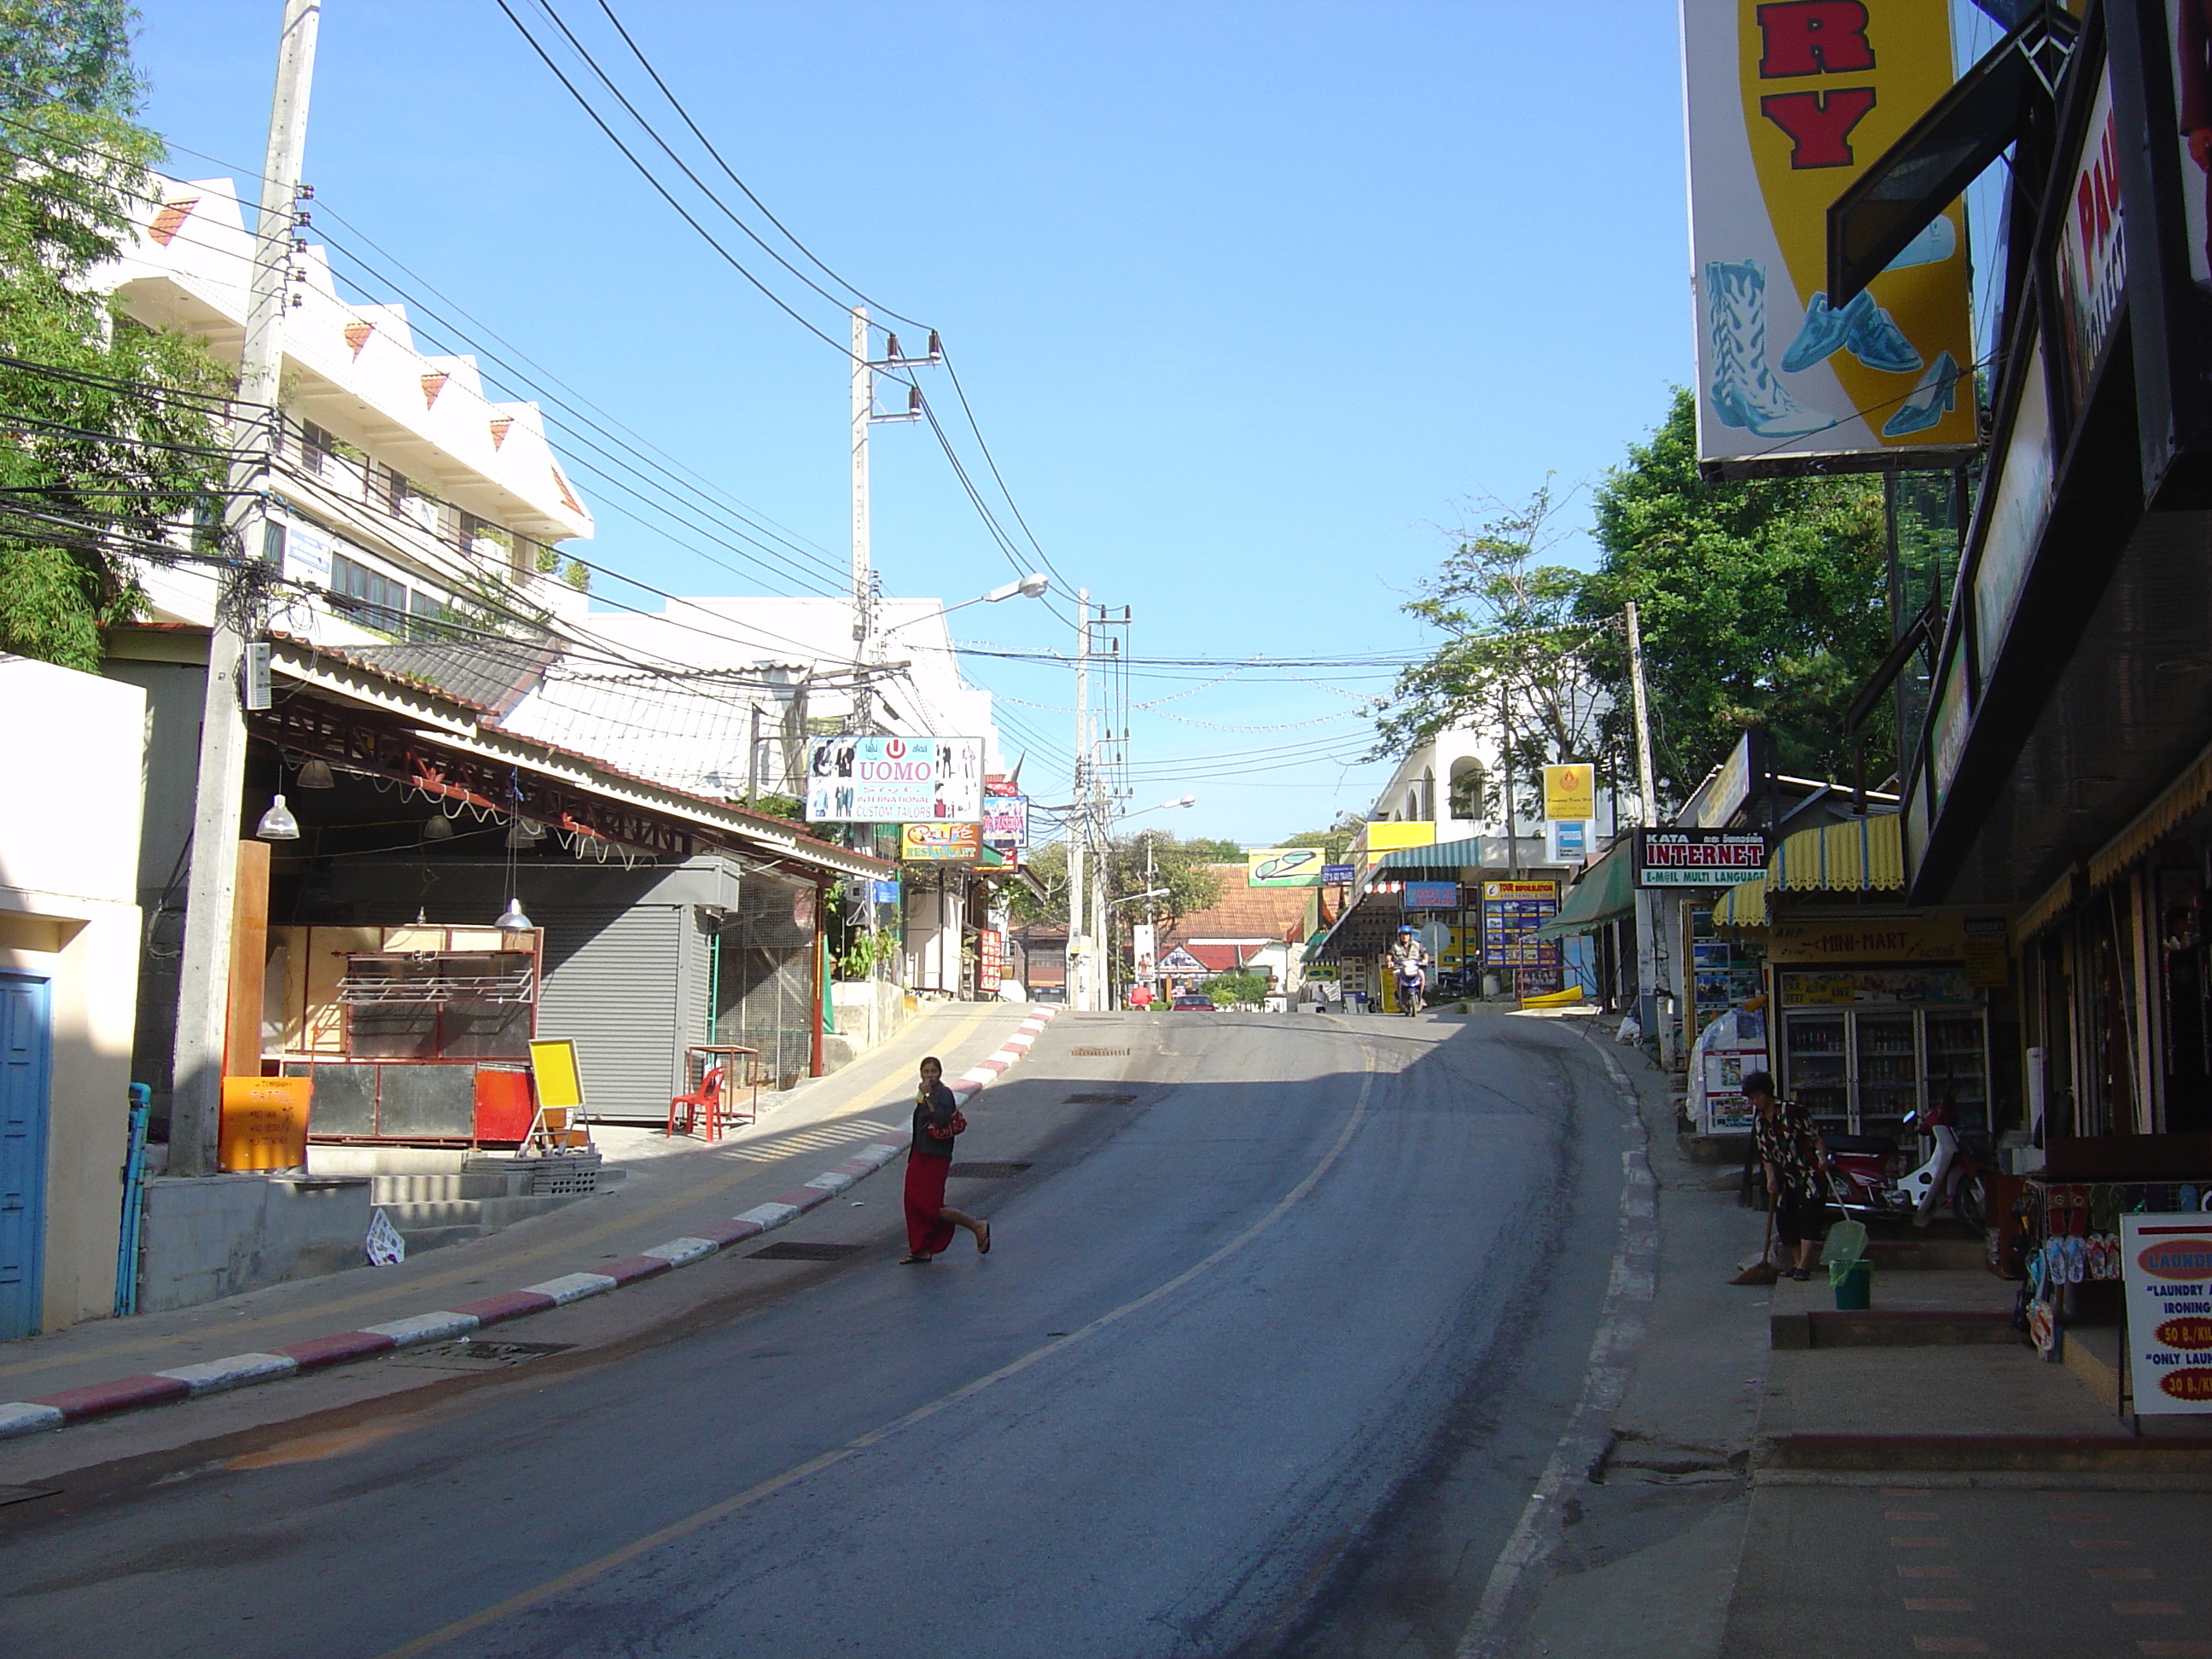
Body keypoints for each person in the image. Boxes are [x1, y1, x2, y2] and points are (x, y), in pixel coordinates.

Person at [902, 1057, 991, 1264]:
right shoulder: (923, 1093)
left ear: (940, 1073)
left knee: (931, 1206)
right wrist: (922, 1095)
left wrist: (928, 1096)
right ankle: (920, 1250)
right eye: (926, 1072)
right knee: (912, 1202)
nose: (929, 1076)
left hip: (936, 1157)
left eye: (933, 1072)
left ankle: (977, 1226)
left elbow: (941, 1119)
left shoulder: (944, 1094)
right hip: (919, 1153)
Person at [1745, 1071, 1827, 1280]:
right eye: (1751, 1098)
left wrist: (1822, 1158)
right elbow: (1765, 1154)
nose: (1755, 1102)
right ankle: (1796, 1260)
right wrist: (1771, 1178)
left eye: (1757, 1096)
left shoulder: (1793, 1112)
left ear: (1767, 1093)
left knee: (1809, 1216)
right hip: (1783, 1176)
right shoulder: (1760, 1121)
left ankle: (1804, 1265)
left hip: (1806, 1171)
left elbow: (1815, 1137)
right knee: (1784, 1219)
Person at [1388, 926, 1429, 1015]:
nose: (1404, 937)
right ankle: (1399, 996)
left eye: (1406, 934)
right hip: (1401, 967)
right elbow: (1389, 955)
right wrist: (1390, 962)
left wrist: (1425, 960)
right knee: (1396, 975)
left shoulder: (1417, 945)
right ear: (1399, 936)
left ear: (1410, 936)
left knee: (1422, 974)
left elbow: (1425, 953)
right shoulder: (1395, 946)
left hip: (1414, 967)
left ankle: (1421, 996)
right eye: (1402, 934)